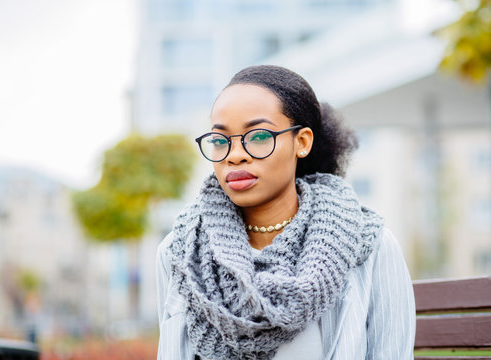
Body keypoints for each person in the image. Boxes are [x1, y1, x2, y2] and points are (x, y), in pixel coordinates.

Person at [156, 65, 416, 360]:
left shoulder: (372, 248)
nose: (235, 154)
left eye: (258, 136)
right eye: (219, 140)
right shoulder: (181, 253)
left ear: (302, 142)